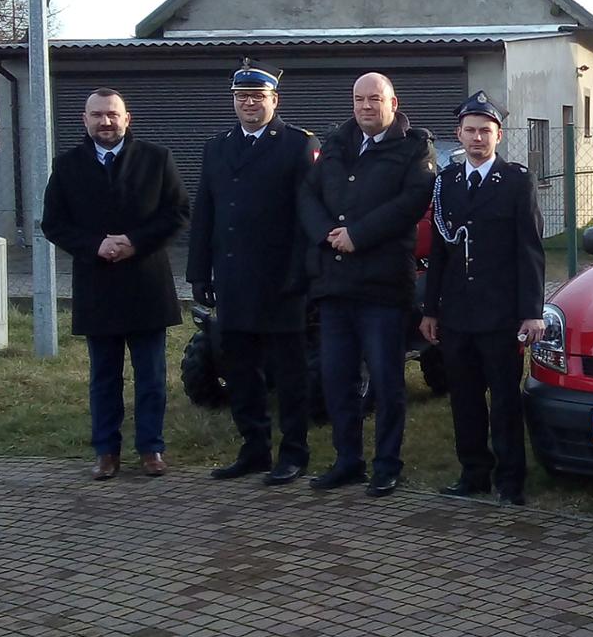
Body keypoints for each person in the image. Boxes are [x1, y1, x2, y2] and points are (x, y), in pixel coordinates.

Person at [40, 88, 189, 480]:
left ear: (127, 118)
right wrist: (95, 245)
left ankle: (151, 449)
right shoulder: (67, 165)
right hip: (97, 285)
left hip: (146, 285)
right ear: (84, 120)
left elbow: (178, 213)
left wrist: (134, 242)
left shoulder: (157, 159)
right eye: (96, 115)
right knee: (104, 377)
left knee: (152, 375)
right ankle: (106, 452)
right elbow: (53, 224)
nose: (105, 122)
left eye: (112, 114)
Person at [298, 72, 436, 497]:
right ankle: (347, 460)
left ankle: (387, 464)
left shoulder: (415, 148)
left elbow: (411, 202)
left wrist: (359, 234)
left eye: (375, 99)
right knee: (338, 378)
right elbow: (307, 195)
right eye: (359, 99)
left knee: (386, 380)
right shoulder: (336, 143)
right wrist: (326, 233)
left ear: (393, 103)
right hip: (336, 284)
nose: (365, 107)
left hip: (382, 287)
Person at [188, 60, 321, 485]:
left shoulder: (297, 145)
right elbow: (205, 212)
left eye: (257, 97)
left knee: (290, 373)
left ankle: (294, 452)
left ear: (274, 100)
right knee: (240, 369)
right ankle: (254, 448)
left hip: (282, 280)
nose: (249, 104)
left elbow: (308, 215)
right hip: (233, 279)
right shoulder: (218, 146)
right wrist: (199, 274)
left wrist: (302, 273)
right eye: (242, 97)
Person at [419, 91, 546, 506]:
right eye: (470, 131)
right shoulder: (446, 182)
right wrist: (431, 308)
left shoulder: (515, 181)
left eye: (485, 131)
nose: (477, 138)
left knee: (505, 399)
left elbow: (530, 250)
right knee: (465, 397)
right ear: (458, 134)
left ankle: (511, 480)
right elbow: (438, 251)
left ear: (499, 135)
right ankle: (473, 472)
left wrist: (531, 313)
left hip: (500, 313)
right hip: (456, 313)